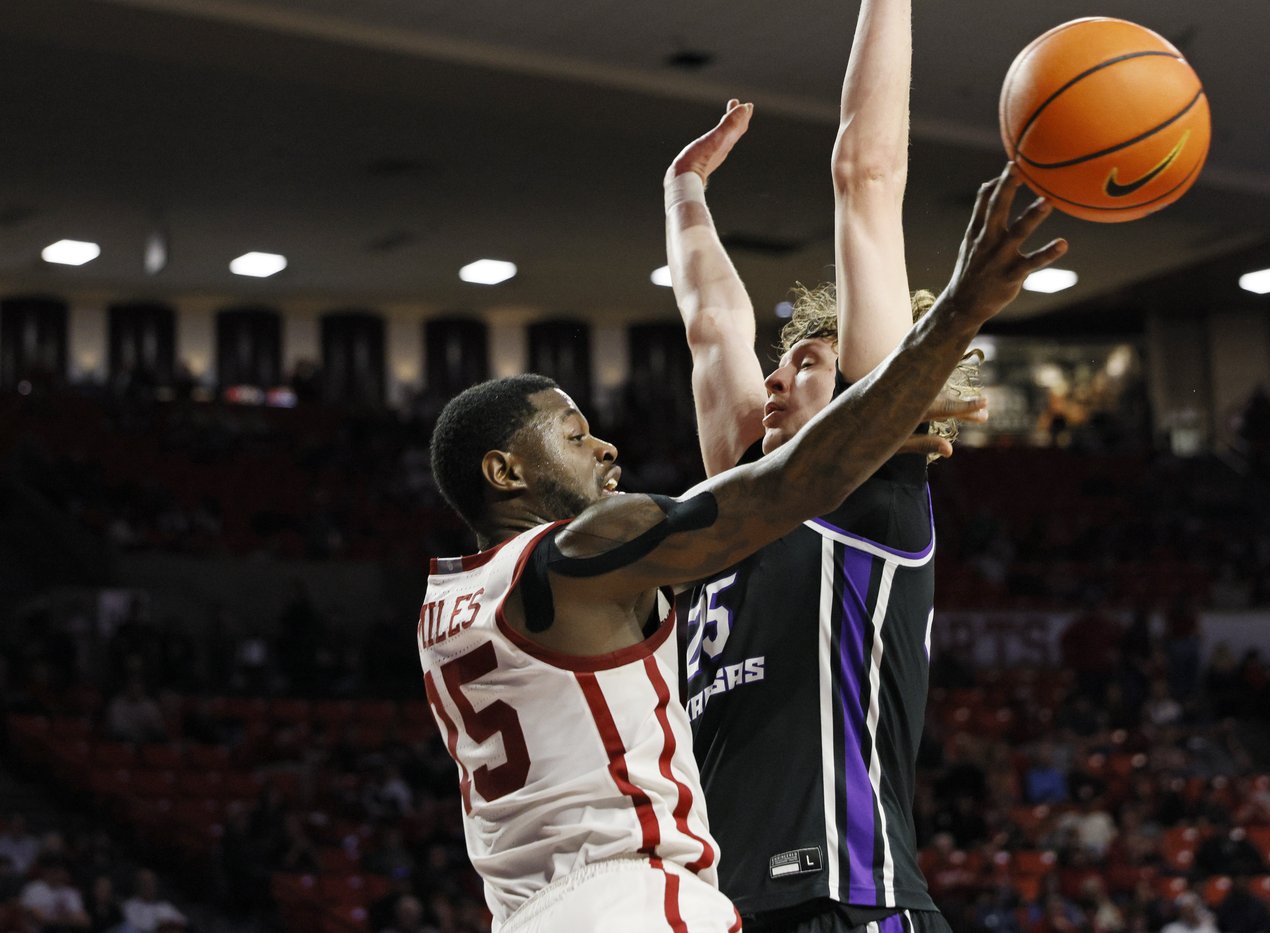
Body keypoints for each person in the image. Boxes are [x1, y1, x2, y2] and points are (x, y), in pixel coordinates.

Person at [419, 164, 1065, 929]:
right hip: (633, 897)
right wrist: (949, 326)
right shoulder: (582, 558)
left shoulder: (454, 599)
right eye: (574, 435)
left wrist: (684, 194)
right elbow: (784, 486)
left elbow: (713, 329)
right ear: (506, 472)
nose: (606, 448)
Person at [660, 0, 1067, 927]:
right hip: (726, 908)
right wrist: (683, 192)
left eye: (806, 361)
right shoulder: (734, 506)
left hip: (851, 895)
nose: (775, 373)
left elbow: (866, 174)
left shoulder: (871, 490)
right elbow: (709, 324)